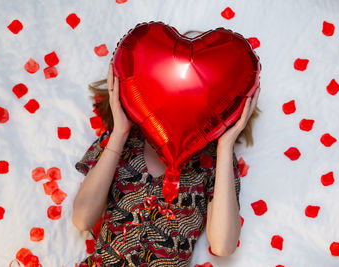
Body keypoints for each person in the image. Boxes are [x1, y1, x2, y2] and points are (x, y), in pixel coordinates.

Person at [72, 31, 261, 267]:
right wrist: (120, 132)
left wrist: (225, 143)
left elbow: (223, 246)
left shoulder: (214, 161)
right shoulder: (121, 140)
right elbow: (82, 219)